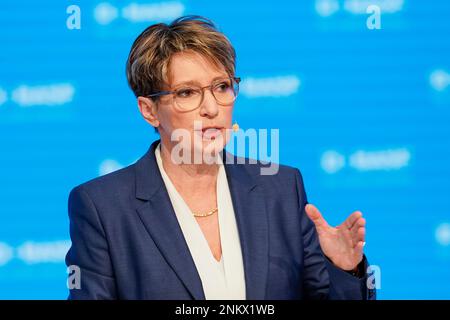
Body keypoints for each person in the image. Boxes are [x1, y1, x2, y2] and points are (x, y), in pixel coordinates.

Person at [65, 15, 376, 300]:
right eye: (187, 92)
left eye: (222, 87)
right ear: (149, 110)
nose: (211, 108)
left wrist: (344, 269)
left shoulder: (280, 187)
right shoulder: (102, 207)